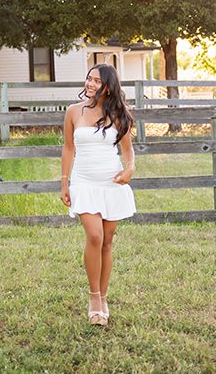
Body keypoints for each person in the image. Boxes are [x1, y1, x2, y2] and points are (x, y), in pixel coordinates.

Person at [60, 63, 136, 327]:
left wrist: (130, 169)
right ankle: (93, 297)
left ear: (108, 87)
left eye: (96, 81)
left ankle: (103, 297)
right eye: (88, 79)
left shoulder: (117, 114)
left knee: (107, 241)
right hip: (84, 181)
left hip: (111, 182)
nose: (90, 84)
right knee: (94, 236)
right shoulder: (73, 111)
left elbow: (127, 150)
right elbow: (68, 148)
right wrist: (64, 183)